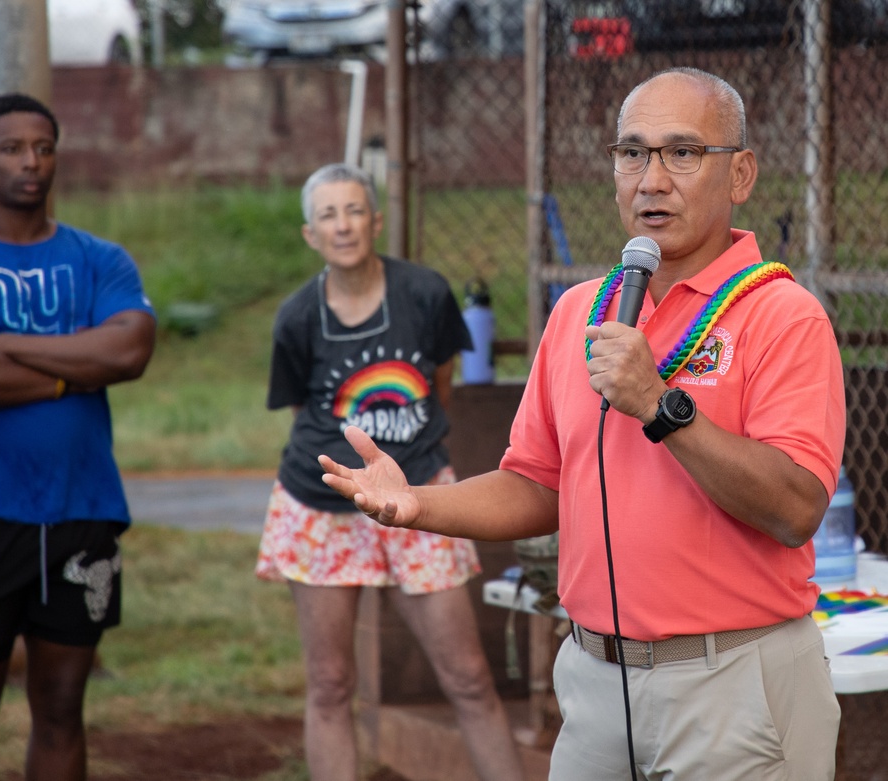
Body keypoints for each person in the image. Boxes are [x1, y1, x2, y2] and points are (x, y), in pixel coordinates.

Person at [320, 67, 846, 780]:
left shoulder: (782, 316)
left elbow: (794, 509)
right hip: (596, 680)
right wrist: (418, 504)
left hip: (731, 682)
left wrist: (660, 406)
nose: (650, 179)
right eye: (631, 153)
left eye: (681, 152)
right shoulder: (582, 313)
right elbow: (536, 483)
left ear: (740, 174)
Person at [0, 93, 156, 781]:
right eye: (12, 148)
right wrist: (75, 368)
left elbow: (128, 352)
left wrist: (6, 343)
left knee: (64, 705)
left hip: (81, 509)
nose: (30, 161)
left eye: (43, 147)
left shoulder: (99, 259)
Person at [255, 162, 527, 781]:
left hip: (419, 500)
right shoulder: (296, 317)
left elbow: (442, 386)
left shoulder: (425, 294)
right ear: (310, 235)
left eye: (354, 210)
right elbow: (303, 409)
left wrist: (411, 463)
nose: (343, 224)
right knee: (329, 683)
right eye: (328, 214)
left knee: (468, 676)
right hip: (320, 507)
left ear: (376, 221)